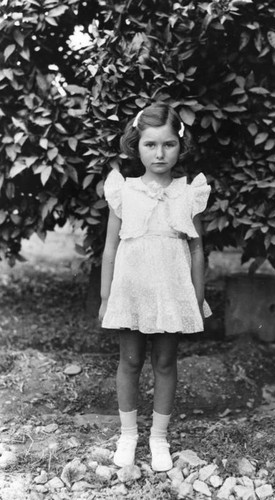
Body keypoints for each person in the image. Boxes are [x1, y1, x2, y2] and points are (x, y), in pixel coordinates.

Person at [98, 102, 211, 472]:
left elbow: (196, 247)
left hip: (171, 291)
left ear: (180, 146)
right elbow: (111, 247)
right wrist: (104, 296)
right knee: (129, 361)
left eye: (168, 145)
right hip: (131, 290)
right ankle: (128, 435)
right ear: (136, 145)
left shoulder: (188, 191)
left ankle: (158, 437)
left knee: (165, 361)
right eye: (150, 145)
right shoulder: (123, 191)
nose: (160, 153)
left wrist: (195, 295)